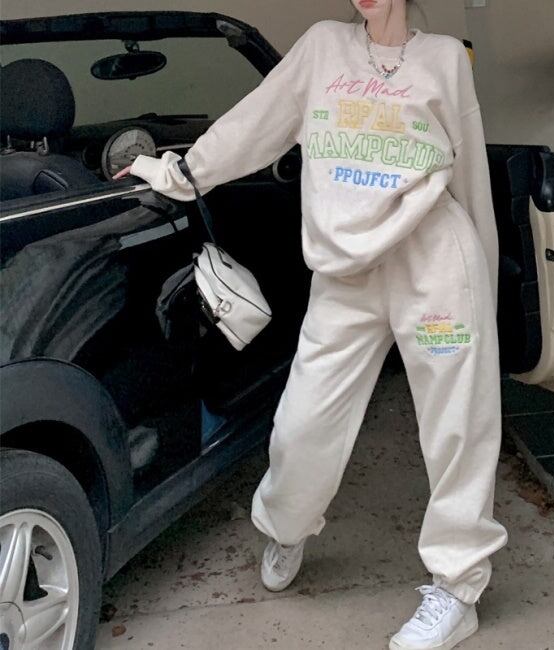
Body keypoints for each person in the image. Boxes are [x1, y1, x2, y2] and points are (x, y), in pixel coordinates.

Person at [114, 1, 508, 647]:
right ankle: (287, 526)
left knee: (458, 426)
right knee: (303, 422)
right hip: (345, 274)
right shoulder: (323, 46)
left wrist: (482, 280)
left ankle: (457, 587)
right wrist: (180, 173)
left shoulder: (443, 59)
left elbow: (468, 171)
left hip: (435, 264)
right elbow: (258, 123)